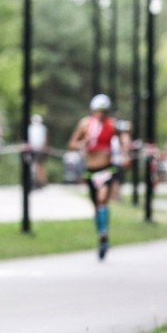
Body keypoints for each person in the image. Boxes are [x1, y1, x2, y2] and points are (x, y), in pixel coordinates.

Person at [68, 94, 123, 260]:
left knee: (102, 200)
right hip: (90, 170)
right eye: (98, 111)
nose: (100, 114)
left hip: (106, 169)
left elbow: (123, 141)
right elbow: (72, 143)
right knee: (96, 206)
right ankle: (101, 235)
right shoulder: (85, 124)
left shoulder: (112, 126)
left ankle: (104, 233)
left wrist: (124, 153)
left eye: (103, 111)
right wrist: (81, 144)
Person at [27, 114, 49, 189]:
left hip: (40, 149)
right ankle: (35, 181)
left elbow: (45, 139)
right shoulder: (30, 128)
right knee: (34, 165)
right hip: (32, 149)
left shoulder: (42, 128)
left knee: (39, 165)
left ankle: (41, 181)